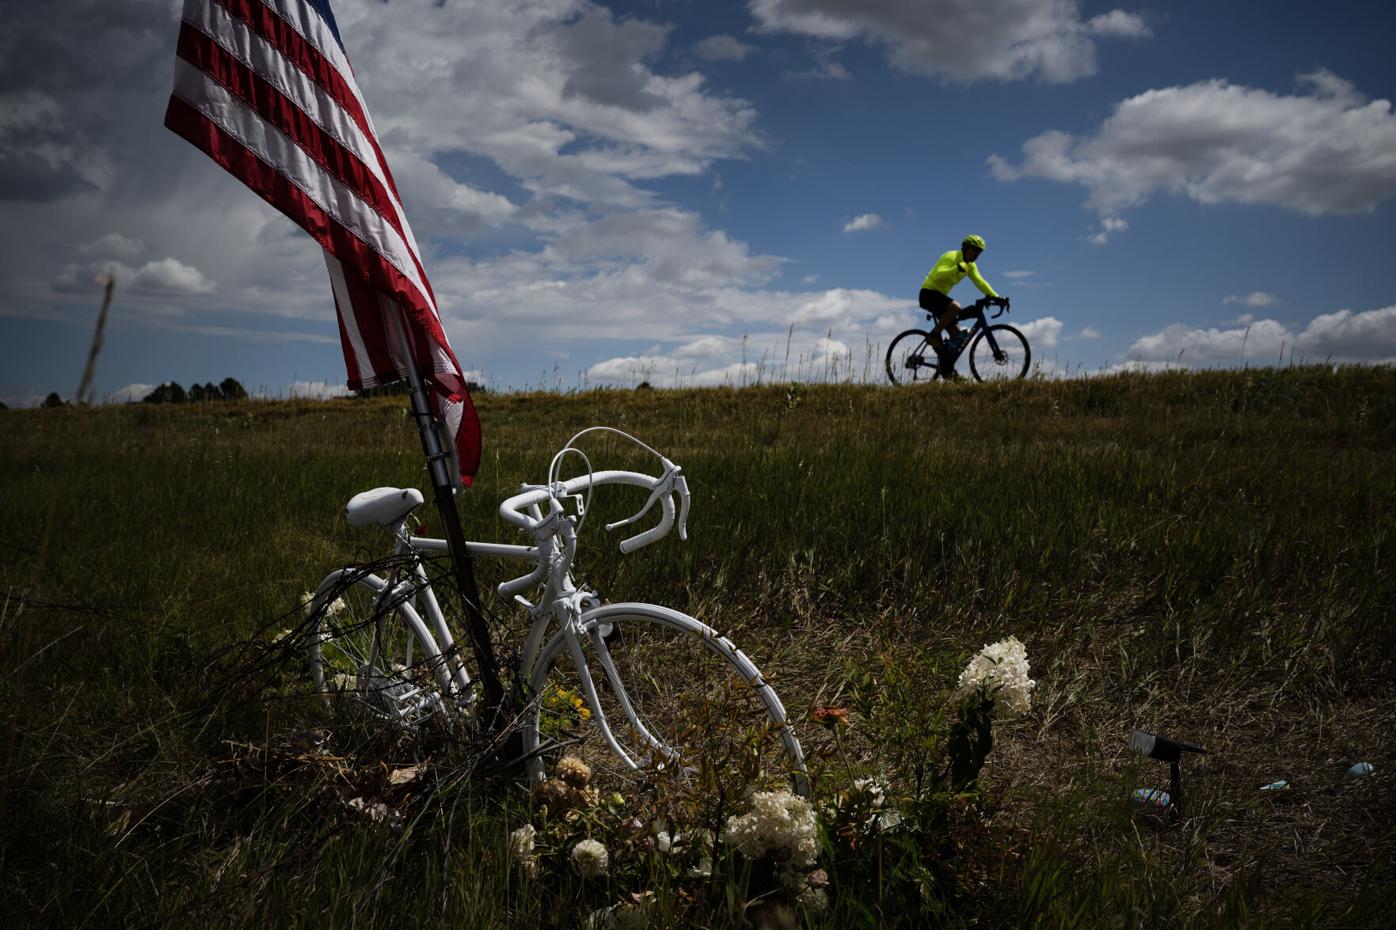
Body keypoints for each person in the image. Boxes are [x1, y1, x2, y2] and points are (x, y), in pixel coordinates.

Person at [919, 235, 1006, 374]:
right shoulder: (951, 256)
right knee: (955, 307)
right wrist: (955, 269)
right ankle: (933, 336)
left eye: (979, 251)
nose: (976, 254)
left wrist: (997, 298)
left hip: (940, 298)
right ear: (965, 248)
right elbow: (938, 274)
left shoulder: (970, 266)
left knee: (957, 338)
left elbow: (980, 282)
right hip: (928, 293)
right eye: (974, 250)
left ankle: (948, 371)